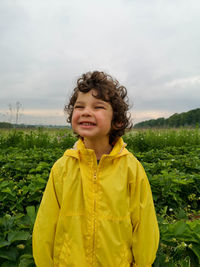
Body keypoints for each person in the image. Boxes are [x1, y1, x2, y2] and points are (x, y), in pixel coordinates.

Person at [32, 71, 159, 267]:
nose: (85, 112)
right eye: (79, 107)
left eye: (98, 107)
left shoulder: (131, 169)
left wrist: (143, 263)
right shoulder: (62, 168)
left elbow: (145, 226)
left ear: (117, 121)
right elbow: (45, 226)